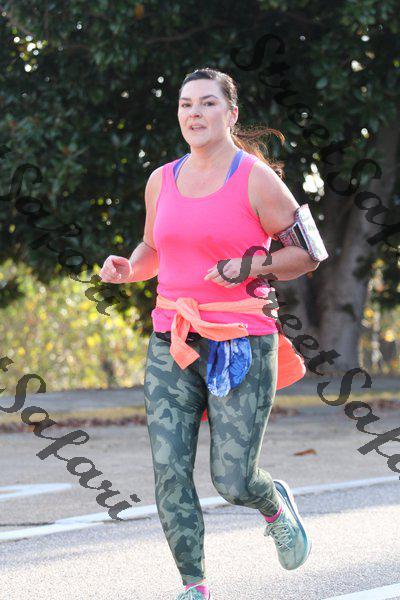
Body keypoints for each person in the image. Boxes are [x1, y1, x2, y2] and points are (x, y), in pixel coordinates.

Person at [100, 67, 328, 600]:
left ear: (231, 113)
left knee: (233, 480)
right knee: (169, 471)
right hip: (173, 340)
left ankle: (272, 502)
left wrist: (248, 266)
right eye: (186, 104)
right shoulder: (161, 179)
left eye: (207, 103)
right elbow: (153, 249)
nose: (194, 113)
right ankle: (194, 585)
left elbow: (307, 253)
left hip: (242, 340)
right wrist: (129, 269)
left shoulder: (255, 178)